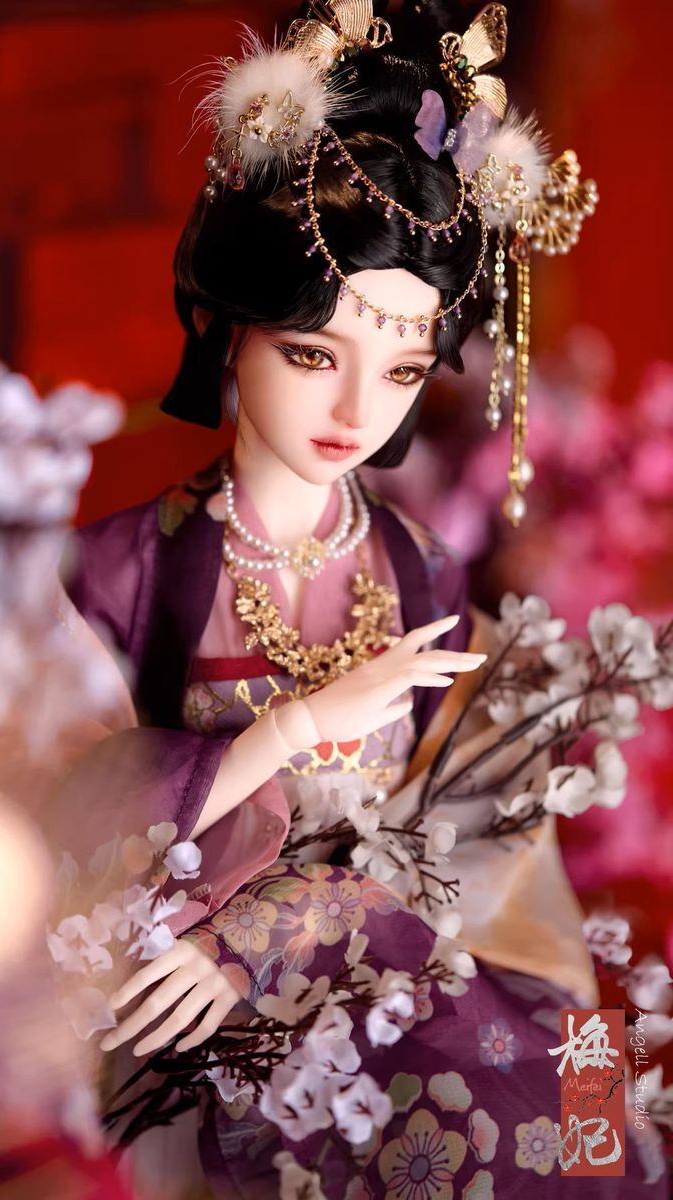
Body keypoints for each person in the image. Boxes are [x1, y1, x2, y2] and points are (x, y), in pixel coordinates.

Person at [63, 2, 669, 1195]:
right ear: (227, 328)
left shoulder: (418, 567)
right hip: (179, 1028)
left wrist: (296, 923)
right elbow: (63, 813)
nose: (355, 411)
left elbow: (503, 864)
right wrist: (288, 729)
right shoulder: (124, 570)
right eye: (310, 354)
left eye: (398, 369)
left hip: (387, 988)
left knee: (591, 1128)